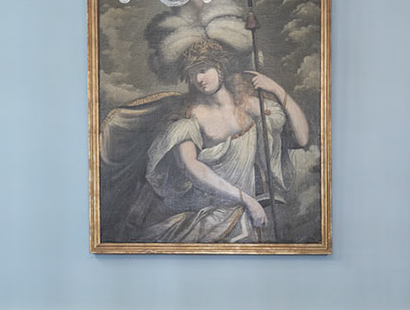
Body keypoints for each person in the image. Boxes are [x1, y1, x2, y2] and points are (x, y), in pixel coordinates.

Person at [100, 32, 311, 245]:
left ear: (219, 68)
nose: (199, 79)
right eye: (193, 75)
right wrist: (244, 199)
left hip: (254, 206)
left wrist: (276, 89)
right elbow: (193, 168)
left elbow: (302, 138)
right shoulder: (188, 117)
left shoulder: (249, 106)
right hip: (212, 208)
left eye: (203, 70)